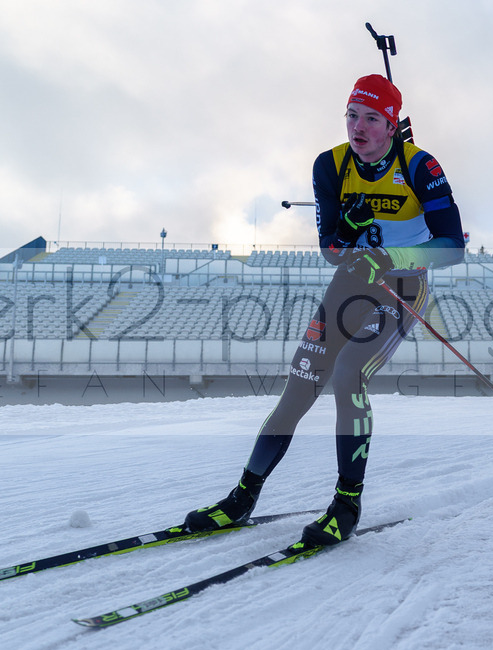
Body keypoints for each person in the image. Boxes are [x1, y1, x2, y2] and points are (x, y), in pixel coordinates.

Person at [183, 74, 465, 545]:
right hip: (351, 283)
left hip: (401, 287)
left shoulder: (421, 166)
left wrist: (394, 257)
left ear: (392, 124)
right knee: (300, 386)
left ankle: (346, 504)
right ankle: (241, 498)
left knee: (349, 372)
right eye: (352, 115)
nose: (358, 127)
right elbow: (331, 250)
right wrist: (349, 230)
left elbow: (453, 247)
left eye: (372, 118)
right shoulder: (330, 166)